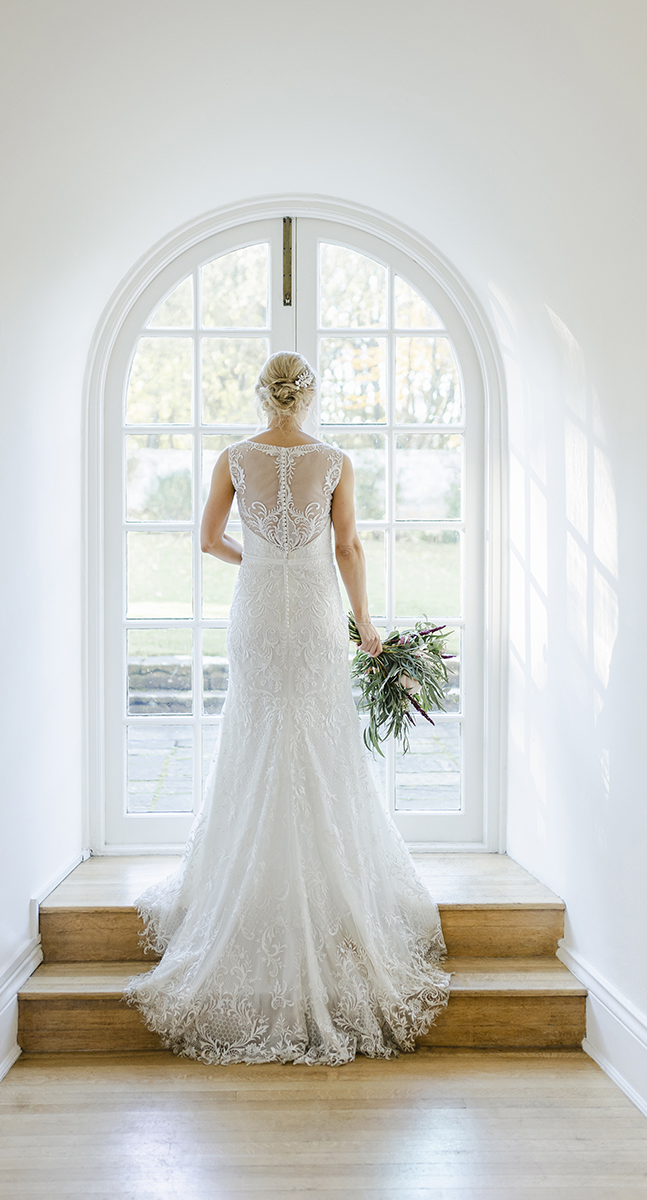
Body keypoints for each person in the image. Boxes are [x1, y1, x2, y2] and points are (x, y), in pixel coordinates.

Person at [124, 351, 450, 1065]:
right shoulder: (333, 461)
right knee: (317, 742)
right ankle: (327, 892)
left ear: (261, 394)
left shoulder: (234, 458)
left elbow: (209, 539)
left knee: (256, 736)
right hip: (312, 616)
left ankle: (244, 889)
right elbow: (348, 545)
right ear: (309, 397)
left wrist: (260, 561)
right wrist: (365, 623)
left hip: (257, 616)